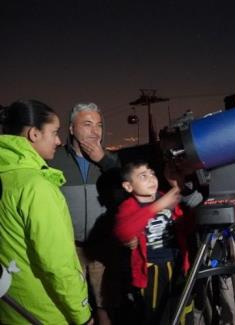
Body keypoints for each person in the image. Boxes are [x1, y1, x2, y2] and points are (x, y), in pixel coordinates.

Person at [0, 100, 92, 325]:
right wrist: (82, 314)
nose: (59, 140)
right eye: (54, 132)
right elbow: (57, 263)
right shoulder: (36, 187)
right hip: (44, 313)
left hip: (12, 308)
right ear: (34, 134)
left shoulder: (6, 177)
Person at [50, 102, 120, 324]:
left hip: (102, 246)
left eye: (98, 124)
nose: (95, 130)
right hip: (68, 248)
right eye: (87, 124)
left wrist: (104, 160)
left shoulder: (111, 161)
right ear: (71, 129)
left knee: (104, 305)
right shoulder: (54, 158)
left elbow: (129, 187)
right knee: (70, 306)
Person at [113, 160, 192, 324]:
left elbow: (186, 225)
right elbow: (123, 231)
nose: (151, 179)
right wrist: (157, 207)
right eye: (143, 176)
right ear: (128, 186)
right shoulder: (129, 206)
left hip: (176, 264)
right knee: (158, 314)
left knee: (181, 308)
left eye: (152, 173)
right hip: (152, 270)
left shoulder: (164, 197)